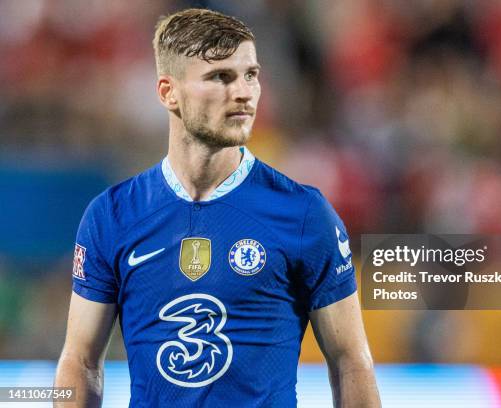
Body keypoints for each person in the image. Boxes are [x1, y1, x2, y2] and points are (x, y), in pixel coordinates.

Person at [54, 7, 380, 408]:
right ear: (167, 92)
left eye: (251, 74)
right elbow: (81, 360)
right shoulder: (112, 216)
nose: (244, 92)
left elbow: (351, 362)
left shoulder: (304, 214)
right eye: (220, 77)